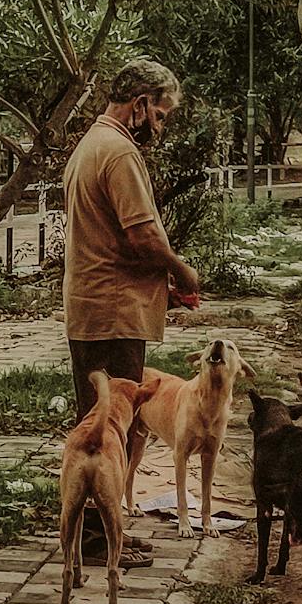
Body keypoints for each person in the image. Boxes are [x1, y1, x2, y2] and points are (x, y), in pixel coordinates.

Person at [62, 57, 200, 424]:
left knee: (93, 426)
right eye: (161, 115)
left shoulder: (91, 144)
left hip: (91, 308)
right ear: (140, 104)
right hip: (114, 316)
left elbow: (108, 237)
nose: (160, 128)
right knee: (115, 429)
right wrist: (182, 271)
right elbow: (144, 237)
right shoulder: (120, 151)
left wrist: (157, 288)